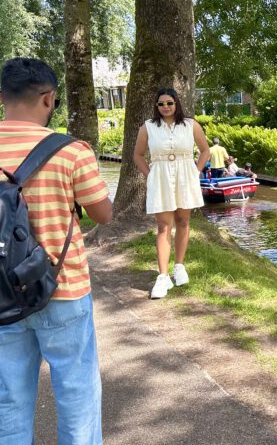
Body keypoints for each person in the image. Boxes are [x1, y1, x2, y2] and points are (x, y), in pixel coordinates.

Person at [0, 57, 113, 444]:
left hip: (1, 294)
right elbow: (104, 213)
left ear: (2, 97)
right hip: (63, 288)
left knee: (9, 402)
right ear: (49, 99)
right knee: (78, 395)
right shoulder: (70, 151)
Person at [133, 88, 211, 299]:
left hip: (186, 174)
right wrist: (150, 174)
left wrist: (196, 171)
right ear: (156, 106)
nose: (165, 107)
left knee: (183, 221)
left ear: (176, 103)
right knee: (163, 225)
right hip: (160, 176)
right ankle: (163, 276)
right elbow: (138, 155)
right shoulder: (147, 127)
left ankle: (179, 266)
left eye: (169, 103)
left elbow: (205, 150)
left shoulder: (190, 125)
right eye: (161, 104)